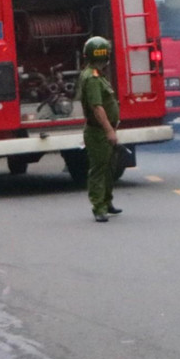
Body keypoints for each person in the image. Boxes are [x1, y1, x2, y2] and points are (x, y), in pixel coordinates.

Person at [75, 36, 121, 222]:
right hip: (98, 132)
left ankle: (107, 202)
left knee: (109, 168)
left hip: (103, 130)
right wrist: (109, 130)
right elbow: (97, 107)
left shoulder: (96, 74)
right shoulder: (92, 78)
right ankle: (99, 207)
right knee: (99, 169)